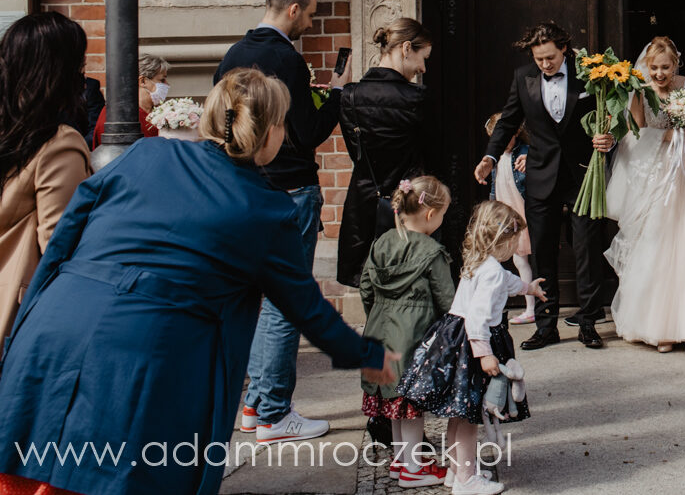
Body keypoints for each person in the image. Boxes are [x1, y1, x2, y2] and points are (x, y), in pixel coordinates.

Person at [0, 68, 396, 495]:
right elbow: (308, 310)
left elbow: (62, 242)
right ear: (269, 132)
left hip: (51, 330)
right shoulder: (267, 210)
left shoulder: (144, 154)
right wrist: (368, 353)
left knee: (25, 474)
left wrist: (26, 321)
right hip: (145, 355)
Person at [214, 0, 353, 443]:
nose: (311, 22)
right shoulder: (286, 59)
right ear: (293, 10)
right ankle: (274, 411)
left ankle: (252, 405)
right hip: (290, 189)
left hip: (243, 189)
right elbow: (308, 131)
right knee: (282, 301)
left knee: (253, 296)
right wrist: (334, 93)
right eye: (311, 14)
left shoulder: (232, 54)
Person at [474, 22, 615, 351]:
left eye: (550, 58)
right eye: (539, 60)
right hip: (541, 175)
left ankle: (589, 322)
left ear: (564, 48)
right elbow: (509, 119)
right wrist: (489, 158)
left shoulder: (591, 74)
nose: (545, 65)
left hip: (582, 174)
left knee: (586, 248)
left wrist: (608, 136)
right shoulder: (523, 77)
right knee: (543, 253)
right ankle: (546, 326)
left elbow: (609, 114)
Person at [399, 201, 546, 495]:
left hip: (457, 340)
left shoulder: (481, 261)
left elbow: (508, 281)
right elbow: (478, 317)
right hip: (474, 344)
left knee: (460, 413)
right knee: (469, 417)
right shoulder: (491, 271)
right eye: (515, 241)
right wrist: (485, 354)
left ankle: (457, 471)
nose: (517, 247)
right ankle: (467, 480)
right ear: (502, 240)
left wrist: (529, 288)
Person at [604, 36, 685, 355]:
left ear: (676, 64)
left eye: (665, 67)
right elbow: (636, 132)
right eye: (654, 68)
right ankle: (661, 326)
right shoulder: (641, 90)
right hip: (659, 173)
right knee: (659, 243)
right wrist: (659, 134)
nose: (659, 74)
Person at [0, 12, 92, 340]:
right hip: (18, 314)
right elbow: (59, 244)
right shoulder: (57, 143)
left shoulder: (11, 135)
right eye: (80, 61)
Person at [360, 175, 456, 489]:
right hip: (412, 336)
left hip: (378, 332)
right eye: (442, 214)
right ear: (430, 215)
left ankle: (402, 460)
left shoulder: (381, 242)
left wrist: (379, 313)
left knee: (394, 405)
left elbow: (365, 288)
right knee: (410, 405)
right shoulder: (432, 251)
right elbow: (447, 300)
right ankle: (413, 468)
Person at [338, 18, 435, 287]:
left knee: (371, 287)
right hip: (409, 205)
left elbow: (355, 153)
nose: (423, 68)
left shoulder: (350, 96)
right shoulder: (418, 98)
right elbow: (430, 151)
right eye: (422, 57)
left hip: (364, 204)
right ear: (406, 48)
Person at [484, 113, 535, 324]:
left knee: (536, 258)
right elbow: (496, 187)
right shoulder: (496, 160)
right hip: (509, 214)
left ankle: (538, 305)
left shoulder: (524, 153)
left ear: (515, 132)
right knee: (519, 260)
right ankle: (530, 307)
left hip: (526, 212)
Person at [91, 52, 168, 148]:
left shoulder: (163, 112)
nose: (167, 84)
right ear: (143, 81)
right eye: (162, 80)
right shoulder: (116, 114)